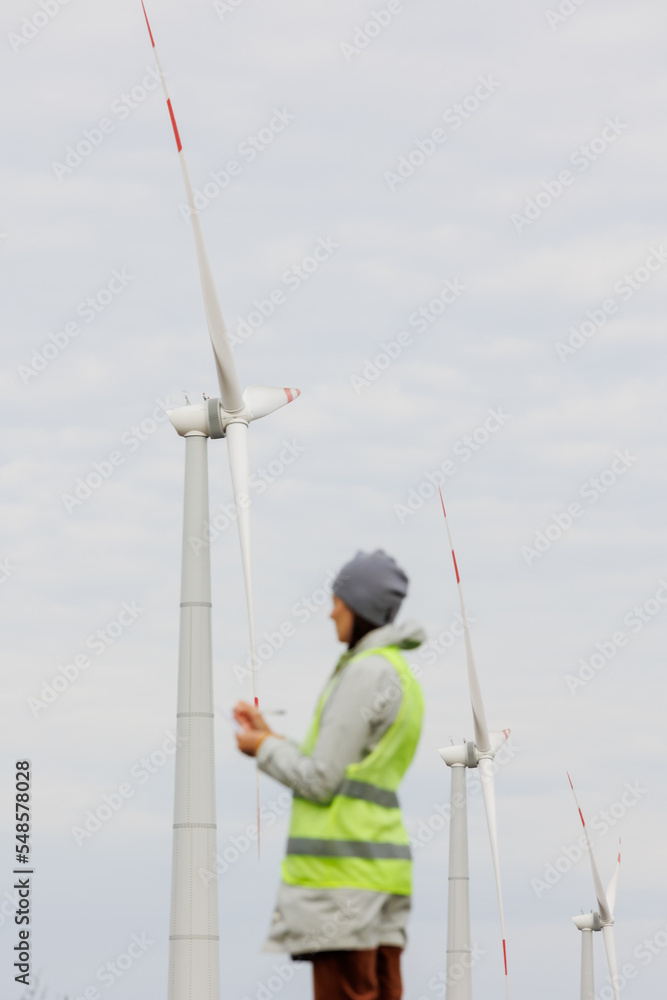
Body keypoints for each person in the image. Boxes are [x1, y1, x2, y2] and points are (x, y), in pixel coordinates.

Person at [234, 549, 425, 1000]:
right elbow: (346, 766)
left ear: (358, 605)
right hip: (382, 874)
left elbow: (321, 779)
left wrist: (262, 748)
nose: (330, 612)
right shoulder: (400, 674)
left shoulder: (364, 674)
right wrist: (272, 736)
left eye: (337, 600)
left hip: (342, 881)